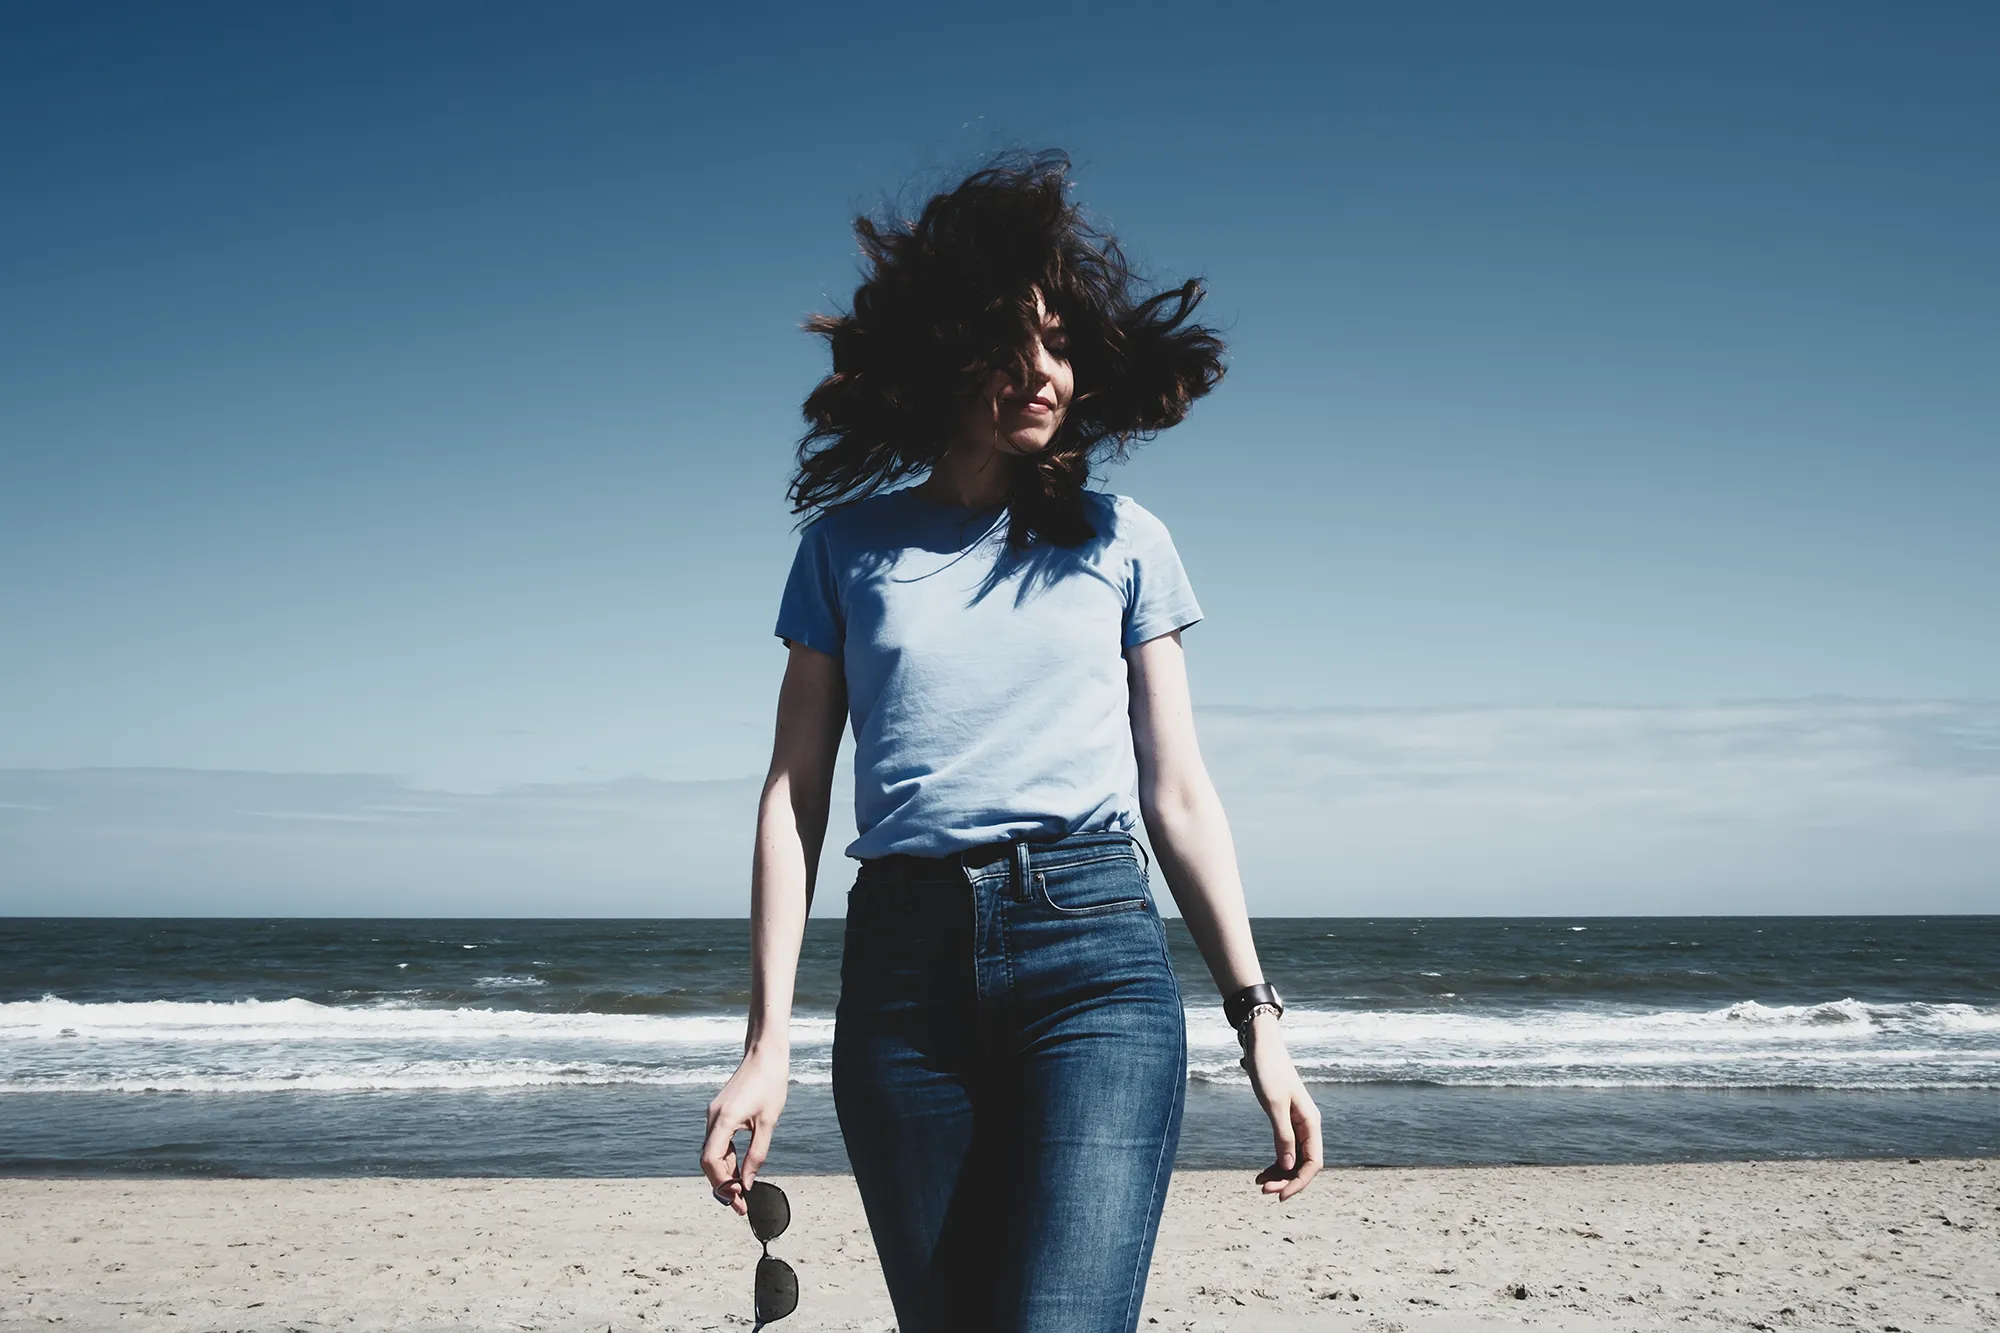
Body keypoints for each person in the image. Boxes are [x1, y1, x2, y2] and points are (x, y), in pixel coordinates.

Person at [700, 149, 1323, 1333]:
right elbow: (792, 796)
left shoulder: (1122, 538)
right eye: (1007, 341)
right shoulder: (846, 549)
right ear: (945, 354)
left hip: (1090, 965)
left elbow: (1178, 793)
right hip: (898, 977)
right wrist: (764, 1042)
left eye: (1059, 340)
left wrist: (1261, 1024)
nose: (1042, 372)